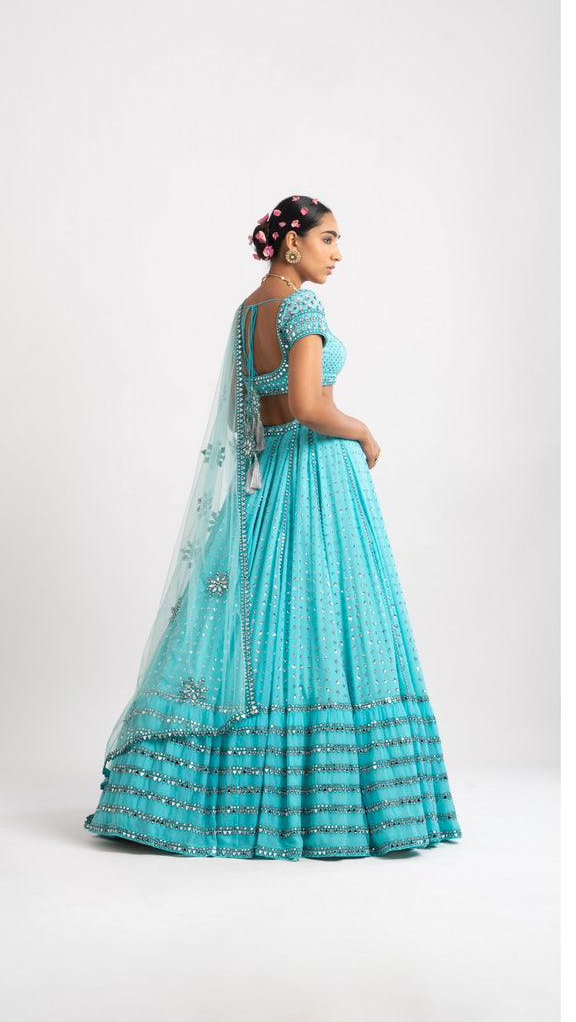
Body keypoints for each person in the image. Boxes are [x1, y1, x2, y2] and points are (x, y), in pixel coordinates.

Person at [83, 194, 463, 860]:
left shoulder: (248, 312)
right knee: (327, 621)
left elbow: (251, 417)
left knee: (262, 622)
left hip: (269, 481)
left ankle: (187, 794)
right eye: (328, 239)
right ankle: (332, 804)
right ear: (293, 243)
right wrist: (363, 430)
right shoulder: (302, 307)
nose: (337, 254)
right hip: (318, 475)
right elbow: (311, 405)